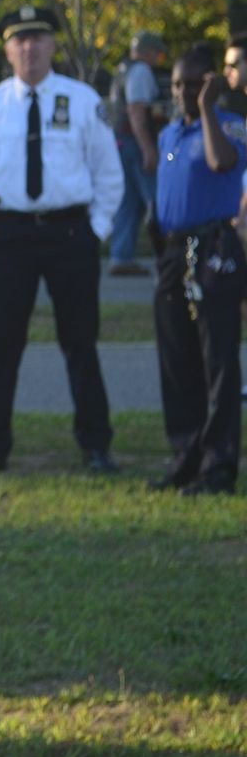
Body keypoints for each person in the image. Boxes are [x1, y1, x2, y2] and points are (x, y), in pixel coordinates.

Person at [0, 5, 124, 473]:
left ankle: (96, 445)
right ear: (8, 50)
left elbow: (109, 174)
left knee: (81, 343)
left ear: (53, 46)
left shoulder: (84, 100)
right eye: (20, 40)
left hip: (71, 234)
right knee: (2, 347)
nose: (29, 48)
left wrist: (98, 230)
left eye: (39, 39)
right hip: (7, 239)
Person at [149, 43, 245, 496]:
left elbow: (220, 162)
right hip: (173, 252)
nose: (184, 93)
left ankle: (218, 464)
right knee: (176, 356)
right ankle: (185, 454)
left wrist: (207, 110)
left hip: (213, 248)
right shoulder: (170, 136)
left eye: (193, 84)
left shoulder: (227, 126)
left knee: (216, 359)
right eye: (177, 85)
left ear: (210, 82)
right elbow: (167, 181)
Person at [108, 31, 167, 274]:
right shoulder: (141, 71)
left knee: (128, 202)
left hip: (121, 142)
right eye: (155, 51)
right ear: (147, 50)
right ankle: (167, 253)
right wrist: (148, 149)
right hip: (135, 142)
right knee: (156, 199)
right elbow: (136, 111)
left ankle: (121, 256)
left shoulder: (123, 68)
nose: (157, 56)